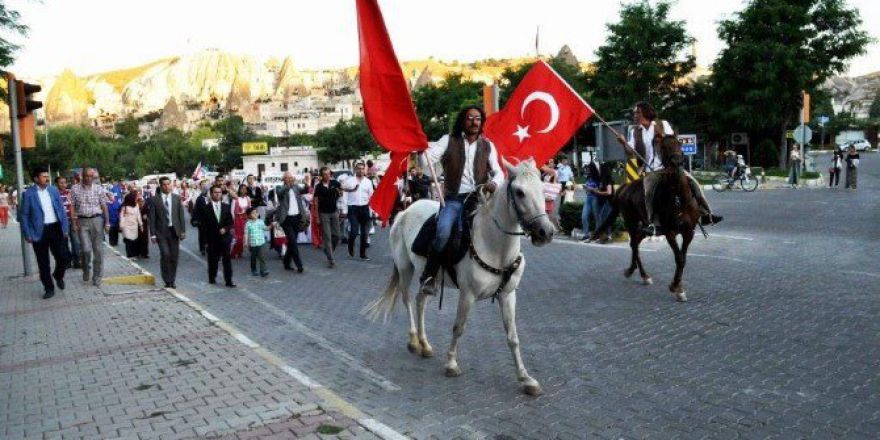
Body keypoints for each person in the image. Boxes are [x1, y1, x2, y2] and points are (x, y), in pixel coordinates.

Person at [418, 106, 504, 295]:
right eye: (470, 118)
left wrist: (495, 183)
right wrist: (422, 150)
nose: (474, 122)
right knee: (442, 232)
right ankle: (429, 275)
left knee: (502, 229)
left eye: (478, 118)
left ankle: (502, 276)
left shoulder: (488, 145)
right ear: (462, 121)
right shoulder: (447, 140)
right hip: (454, 200)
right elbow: (426, 163)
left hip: (480, 200)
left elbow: (498, 172)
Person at [615, 101, 720, 235]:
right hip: (651, 169)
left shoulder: (662, 124)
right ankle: (653, 223)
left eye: (637, 112)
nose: (635, 115)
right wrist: (623, 143)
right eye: (635, 113)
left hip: (668, 166)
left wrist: (662, 138)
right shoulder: (635, 131)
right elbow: (631, 152)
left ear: (646, 113)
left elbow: (672, 141)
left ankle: (707, 213)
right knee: (648, 193)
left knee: (693, 183)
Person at [19, 167, 70, 299]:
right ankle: (49, 288)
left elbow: (61, 209)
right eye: (43, 176)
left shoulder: (53, 190)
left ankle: (58, 275)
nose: (47, 178)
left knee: (63, 257)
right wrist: (27, 234)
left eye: (47, 176)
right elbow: (23, 215)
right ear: (36, 179)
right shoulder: (28, 194)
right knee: (43, 262)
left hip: (55, 228)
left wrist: (64, 227)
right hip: (39, 231)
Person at [70, 168, 110, 287]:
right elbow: (72, 206)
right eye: (86, 176)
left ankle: (97, 276)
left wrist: (107, 222)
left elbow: (104, 206)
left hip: (97, 220)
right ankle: (86, 268)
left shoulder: (98, 189)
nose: (88, 178)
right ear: (82, 176)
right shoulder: (75, 189)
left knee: (98, 251)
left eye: (91, 177)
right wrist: (73, 223)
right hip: (82, 221)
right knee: (86, 249)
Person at [148, 176, 186, 289]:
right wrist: (153, 234)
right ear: (161, 186)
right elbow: (152, 218)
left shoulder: (176, 198)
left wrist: (183, 231)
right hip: (161, 232)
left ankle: (172, 280)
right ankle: (166, 279)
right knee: (165, 254)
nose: (167, 186)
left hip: (174, 231)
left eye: (168, 184)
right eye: (164, 184)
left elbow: (181, 216)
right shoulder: (155, 199)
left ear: (171, 185)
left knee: (174, 256)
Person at [199, 184, 235, 287]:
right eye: (215, 192)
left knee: (227, 260)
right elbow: (203, 227)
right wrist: (205, 242)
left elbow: (231, 223)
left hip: (224, 239)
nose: (218, 194)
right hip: (212, 239)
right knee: (213, 260)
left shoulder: (226, 207)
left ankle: (228, 280)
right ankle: (212, 277)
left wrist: (226, 229)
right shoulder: (206, 209)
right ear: (211, 194)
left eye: (219, 192)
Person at [273, 171, 308, 272]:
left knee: (292, 243)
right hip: (286, 219)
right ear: (283, 179)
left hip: (296, 217)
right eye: (287, 178)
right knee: (293, 242)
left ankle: (286, 262)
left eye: (291, 177)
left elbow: (304, 190)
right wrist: (288, 185)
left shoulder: (296, 187)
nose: (290, 179)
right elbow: (280, 194)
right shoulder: (279, 188)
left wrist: (306, 183)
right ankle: (299, 265)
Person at [342, 162, 375, 261]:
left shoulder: (368, 182)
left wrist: (372, 210)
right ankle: (350, 246)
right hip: (353, 209)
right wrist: (344, 209)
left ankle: (363, 253)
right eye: (358, 168)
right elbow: (345, 195)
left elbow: (371, 196)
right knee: (354, 232)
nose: (360, 170)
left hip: (365, 208)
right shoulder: (349, 181)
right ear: (355, 169)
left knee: (365, 233)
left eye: (362, 169)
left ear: (364, 170)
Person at [313, 167, 343, 267]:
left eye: (329, 174)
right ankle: (331, 259)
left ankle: (327, 250)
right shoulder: (318, 186)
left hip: (334, 212)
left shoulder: (335, 183)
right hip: (323, 213)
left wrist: (340, 192)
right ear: (321, 176)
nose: (327, 176)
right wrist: (317, 216)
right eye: (325, 174)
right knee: (327, 236)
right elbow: (316, 202)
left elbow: (341, 191)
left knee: (337, 236)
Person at [55, 176, 81, 269]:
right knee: (64, 243)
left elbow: (74, 206)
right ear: (57, 184)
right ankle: (67, 262)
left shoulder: (70, 193)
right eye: (61, 182)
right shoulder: (55, 194)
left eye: (64, 182)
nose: (63, 184)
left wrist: (76, 220)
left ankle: (77, 261)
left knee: (76, 242)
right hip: (61, 222)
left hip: (72, 220)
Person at [591, 162, 616, 243]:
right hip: (605, 201)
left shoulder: (608, 179)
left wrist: (598, 192)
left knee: (603, 218)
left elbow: (609, 192)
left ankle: (606, 236)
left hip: (609, 201)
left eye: (600, 168)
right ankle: (607, 236)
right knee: (604, 218)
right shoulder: (602, 178)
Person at [244, 207, 270, 277]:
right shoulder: (248, 224)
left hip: (261, 243)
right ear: (249, 215)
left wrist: (271, 226)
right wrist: (245, 242)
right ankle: (254, 269)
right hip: (252, 244)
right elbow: (246, 234)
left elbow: (265, 228)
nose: (255, 214)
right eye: (253, 213)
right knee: (253, 258)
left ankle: (263, 270)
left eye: (256, 212)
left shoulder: (260, 221)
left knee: (262, 257)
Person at [580, 162, 601, 242]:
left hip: (595, 198)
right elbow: (588, 187)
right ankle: (586, 234)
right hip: (588, 198)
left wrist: (590, 189)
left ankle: (597, 234)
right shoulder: (588, 177)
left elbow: (598, 190)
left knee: (597, 217)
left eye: (588, 169)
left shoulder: (598, 178)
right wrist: (586, 189)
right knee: (584, 216)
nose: (587, 170)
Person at [119, 191, 143, 258]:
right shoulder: (125, 207)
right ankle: (130, 255)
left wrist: (141, 225)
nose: (136, 199)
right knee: (128, 241)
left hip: (134, 226)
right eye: (135, 198)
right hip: (126, 226)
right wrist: (121, 226)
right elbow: (122, 217)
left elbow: (138, 215)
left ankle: (134, 254)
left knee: (134, 241)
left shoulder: (136, 205)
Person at [231, 184, 251, 258]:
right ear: (239, 190)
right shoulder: (235, 199)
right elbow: (232, 211)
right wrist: (233, 221)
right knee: (238, 237)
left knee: (244, 236)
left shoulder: (248, 198)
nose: (244, 190)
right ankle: (234, 252)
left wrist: (250, 219)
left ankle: (240, 251)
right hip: (237, 220)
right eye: (242, 189)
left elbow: (250, 210)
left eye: (245, 189)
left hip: (245, 219)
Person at [191, 180, 210, 255]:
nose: (205, 187)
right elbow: (196, 210)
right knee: (202, 234)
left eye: (206, 185)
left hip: (210, 220)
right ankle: (202, 248)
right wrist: (195, 219)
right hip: (202, 220)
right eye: (203, 186)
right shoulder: (199, 199)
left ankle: (209, 247)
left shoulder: (211, 198)